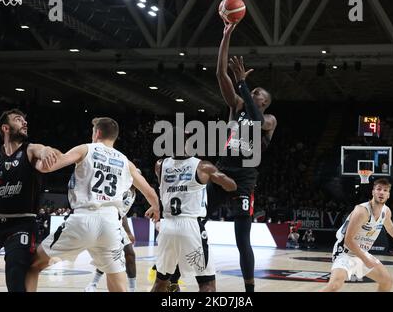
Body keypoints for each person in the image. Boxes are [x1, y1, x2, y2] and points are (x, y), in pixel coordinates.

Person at [25, 117, 160, 292]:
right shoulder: (126, 162)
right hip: (110, 224)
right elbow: (150, 192)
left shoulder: (86, 148)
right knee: (118, 286)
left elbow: (48, 167)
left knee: (33, 265)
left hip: (83, 219)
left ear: (97, 133)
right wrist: (155, 208)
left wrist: (32, 158)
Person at [210, 21, 277, 292]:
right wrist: (226, 35)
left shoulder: (270, 120)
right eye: (253, 90)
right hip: (223, 169)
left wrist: (242, 83)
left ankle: (249, 291)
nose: (255, 93)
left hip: (246, 177)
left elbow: (257, 121)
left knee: (242, 238)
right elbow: (219, 73)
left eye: (259, 93)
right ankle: (176, 277)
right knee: (195, 219)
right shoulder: (236, 105)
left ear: (265, 102)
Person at [0, 109, 58, 292]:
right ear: (5, 128)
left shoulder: (30, 150)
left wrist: (48, 150)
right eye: (18, 120)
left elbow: (43, 150)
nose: (24, 122)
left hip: (22, 224)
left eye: (25, 120)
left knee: (16, 273)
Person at [151, 136, 237, 292]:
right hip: (190, 225)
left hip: (167, 226)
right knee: (207, 284)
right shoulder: (203, 166)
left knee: (160, 282)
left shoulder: (160, 165)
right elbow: (231, 186)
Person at [321, 178, 393, 292]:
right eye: (378, 189)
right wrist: (365, 259)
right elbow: (348, 240)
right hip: (345, 252)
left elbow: (391, 228)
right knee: (334, 286)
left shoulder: (386, 211)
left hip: (362, 252)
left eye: (385, 190)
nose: (381, 192)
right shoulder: (362, 211)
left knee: (387, 281)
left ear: (388, 195)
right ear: (373, 192)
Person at [85, 178, 141, 292]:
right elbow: (118, 211)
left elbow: (123, 213)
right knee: (115, 256)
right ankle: (92, 284)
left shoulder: (133, 193)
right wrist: (128, 232)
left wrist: (128, 231)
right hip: (110, 223)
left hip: (118, 224)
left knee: (127, 255)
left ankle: (132, 289)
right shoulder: (123, 190)